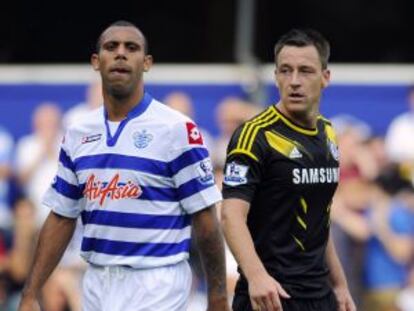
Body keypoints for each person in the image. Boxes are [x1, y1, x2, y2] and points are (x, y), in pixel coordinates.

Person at [18, 20, 229, 311]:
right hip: (96, 284)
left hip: (157, 284)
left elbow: (205, 218)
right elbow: (62, 216)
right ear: (96, 61)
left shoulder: (177, 129)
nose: (120, 54)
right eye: (111, 47)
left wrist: (218, 298)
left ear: (146, 63)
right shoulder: (77, 132)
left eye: (131, 48)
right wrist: (30, 293)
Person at [221, 29, 355, 311]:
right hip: (270, 296)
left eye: (305, 71)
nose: (294, 81)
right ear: (276, 77)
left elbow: (321, 218)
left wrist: (340, 285)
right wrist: (257, 277)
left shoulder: (328, 133)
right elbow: (231, 215)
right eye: (285, 70)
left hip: (319, 295)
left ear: (325, 78)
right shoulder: (254, 135)